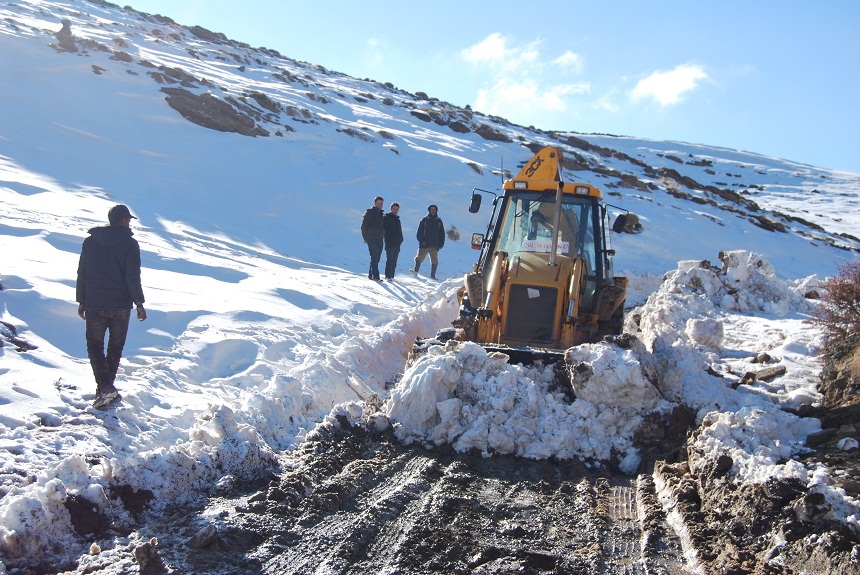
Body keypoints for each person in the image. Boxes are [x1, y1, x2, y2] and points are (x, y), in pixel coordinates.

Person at [76, 204, 146, 410]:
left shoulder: (90, 243)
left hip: (95, 303)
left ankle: (105, 390)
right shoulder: (130, 244)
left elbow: (82, 273)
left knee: (95, 346)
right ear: (123, 220)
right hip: (121, 306)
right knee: (115, 348)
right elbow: (132, 277)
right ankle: (106, 390)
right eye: (129, 220)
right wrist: (139, 303)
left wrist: (82, 300)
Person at [411, 204, 445, 279]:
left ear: (436, 211)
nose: (433, 211)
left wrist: (441, 244)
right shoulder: (425, 220)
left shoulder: (439, 221)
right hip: (424, 244)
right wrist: (421, 241)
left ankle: (433, 276)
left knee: (435, 261)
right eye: (431, 209)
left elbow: (442, 234)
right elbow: (419, 232)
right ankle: (415, 272)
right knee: (419, 258)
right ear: (429, 210)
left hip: (434, 245)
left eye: (434, 209)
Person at [361, 196, 385, 281]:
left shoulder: (381, 214)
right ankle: (376, 276)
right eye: (378, 203)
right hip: (371, 237)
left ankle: (371, 275)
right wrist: (365, 237)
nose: (380, 205)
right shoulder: (370, 212)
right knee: (374, 257)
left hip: (380, 238)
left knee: (377, 258)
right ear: (374, 203)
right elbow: (364, 226)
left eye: (381, 203)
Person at [382, 202, 403, 280]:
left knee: (394, 261)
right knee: (389, 260)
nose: (395, 210)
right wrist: (388, 239)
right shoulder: (387, 218)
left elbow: (399, 231)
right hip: (390, 243)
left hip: (397, 243)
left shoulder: (397, 219)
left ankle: (392, 276)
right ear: (391, 209)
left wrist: (401, 239)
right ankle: (388, 276)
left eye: (397, 209)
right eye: (394, 209)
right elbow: (385, 230)